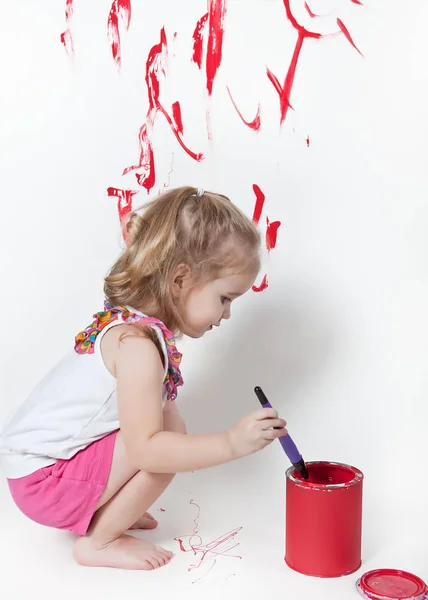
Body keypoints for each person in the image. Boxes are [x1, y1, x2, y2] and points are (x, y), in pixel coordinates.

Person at [0, 186, 287, 570]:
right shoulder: (138, 348)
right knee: (166, 439)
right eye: (225, 298)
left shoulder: (131, 326)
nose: (227, 314)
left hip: (36, 474)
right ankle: (99, 542)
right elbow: (147, 452)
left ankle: (109, 508)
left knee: (166, 423)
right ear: (181, 280)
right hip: (43, 485)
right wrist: (232, 443)